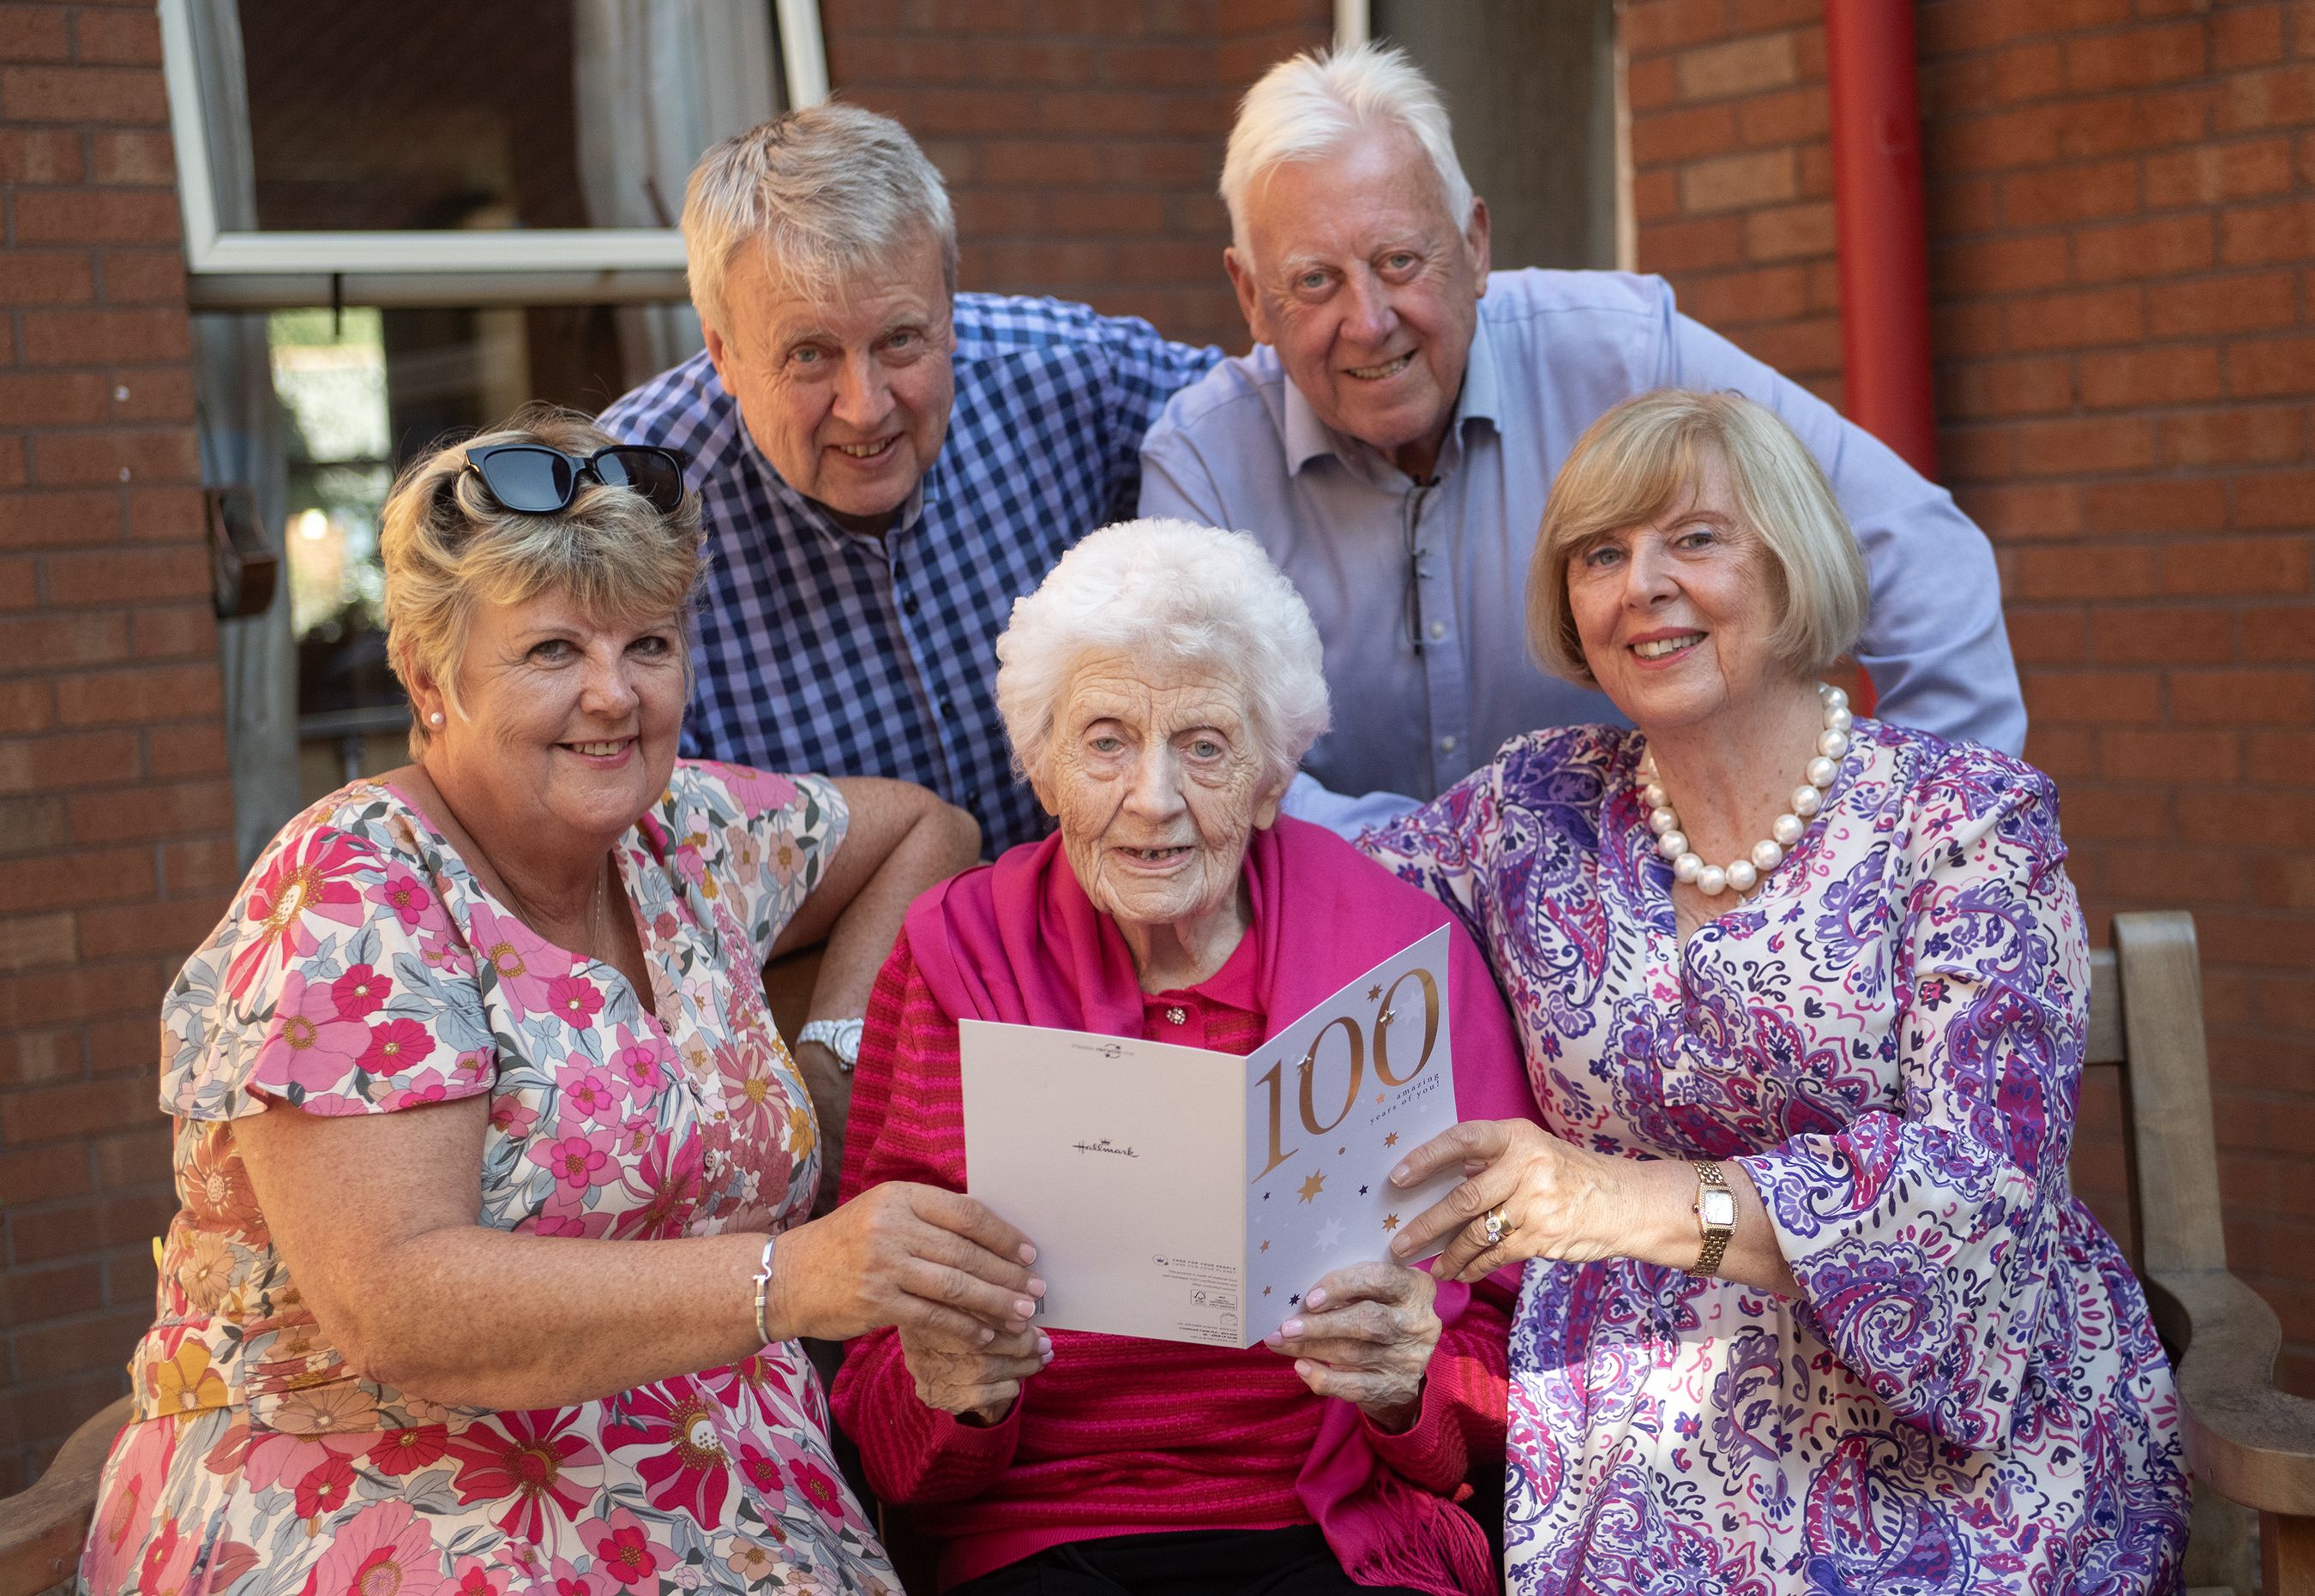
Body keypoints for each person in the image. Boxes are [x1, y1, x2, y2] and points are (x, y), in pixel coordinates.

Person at [79, 413, 1047, 1596]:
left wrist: (829, 1063)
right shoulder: (360, 888)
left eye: (649, 642)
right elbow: (397, 1303)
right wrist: (788, 1275)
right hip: (391, 1501)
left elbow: (926, 828)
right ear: (431, 675)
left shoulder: (687, 834)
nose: (613, 695)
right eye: (550, 652)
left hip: (728, 1501)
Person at [1362, 388, 2188, 1592]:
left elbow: (1976, 1189)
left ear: (1791, 562)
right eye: (1601, 551)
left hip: (1957, 1449)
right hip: (1635, 1444)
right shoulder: (1530, 809)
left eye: (1693, 538)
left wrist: (1615, 1201)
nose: (1639, 581)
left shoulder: (1964, 820)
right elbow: (1301, 907)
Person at [828, 520, 1539, 1596]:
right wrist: (954, 1392)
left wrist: (1410, 1387)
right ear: (1045, 769)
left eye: (1204, 745)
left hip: (1326, 1522)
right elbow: (882, 1388)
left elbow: (1503, 1355)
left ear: (1271, 778)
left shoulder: (1402, 965)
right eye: (1106, 740)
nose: (1152, 798)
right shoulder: (953, 958)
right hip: (1040, 1533)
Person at [1139, 42, 2026, 836]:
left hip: (1654, 948)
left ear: (1476, 245)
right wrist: (1457, 876)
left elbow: (1926, 559)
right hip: (1357, 966)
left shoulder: (1630, 353)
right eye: (1314, 281)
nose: (1369, 321)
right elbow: (1193, 751)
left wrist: (1910, 843)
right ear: (1251, 297)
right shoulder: (1204, 466)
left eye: (1400, 262)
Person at [599, 103, 1218, 868]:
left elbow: (1272, 414)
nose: (865, 406)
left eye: (900, 339)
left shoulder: (1066, 374)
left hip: (1112, 940)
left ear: (950, 312)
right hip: (815, 966)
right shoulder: (627, 505)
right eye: (809, 356)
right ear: (722, 352)